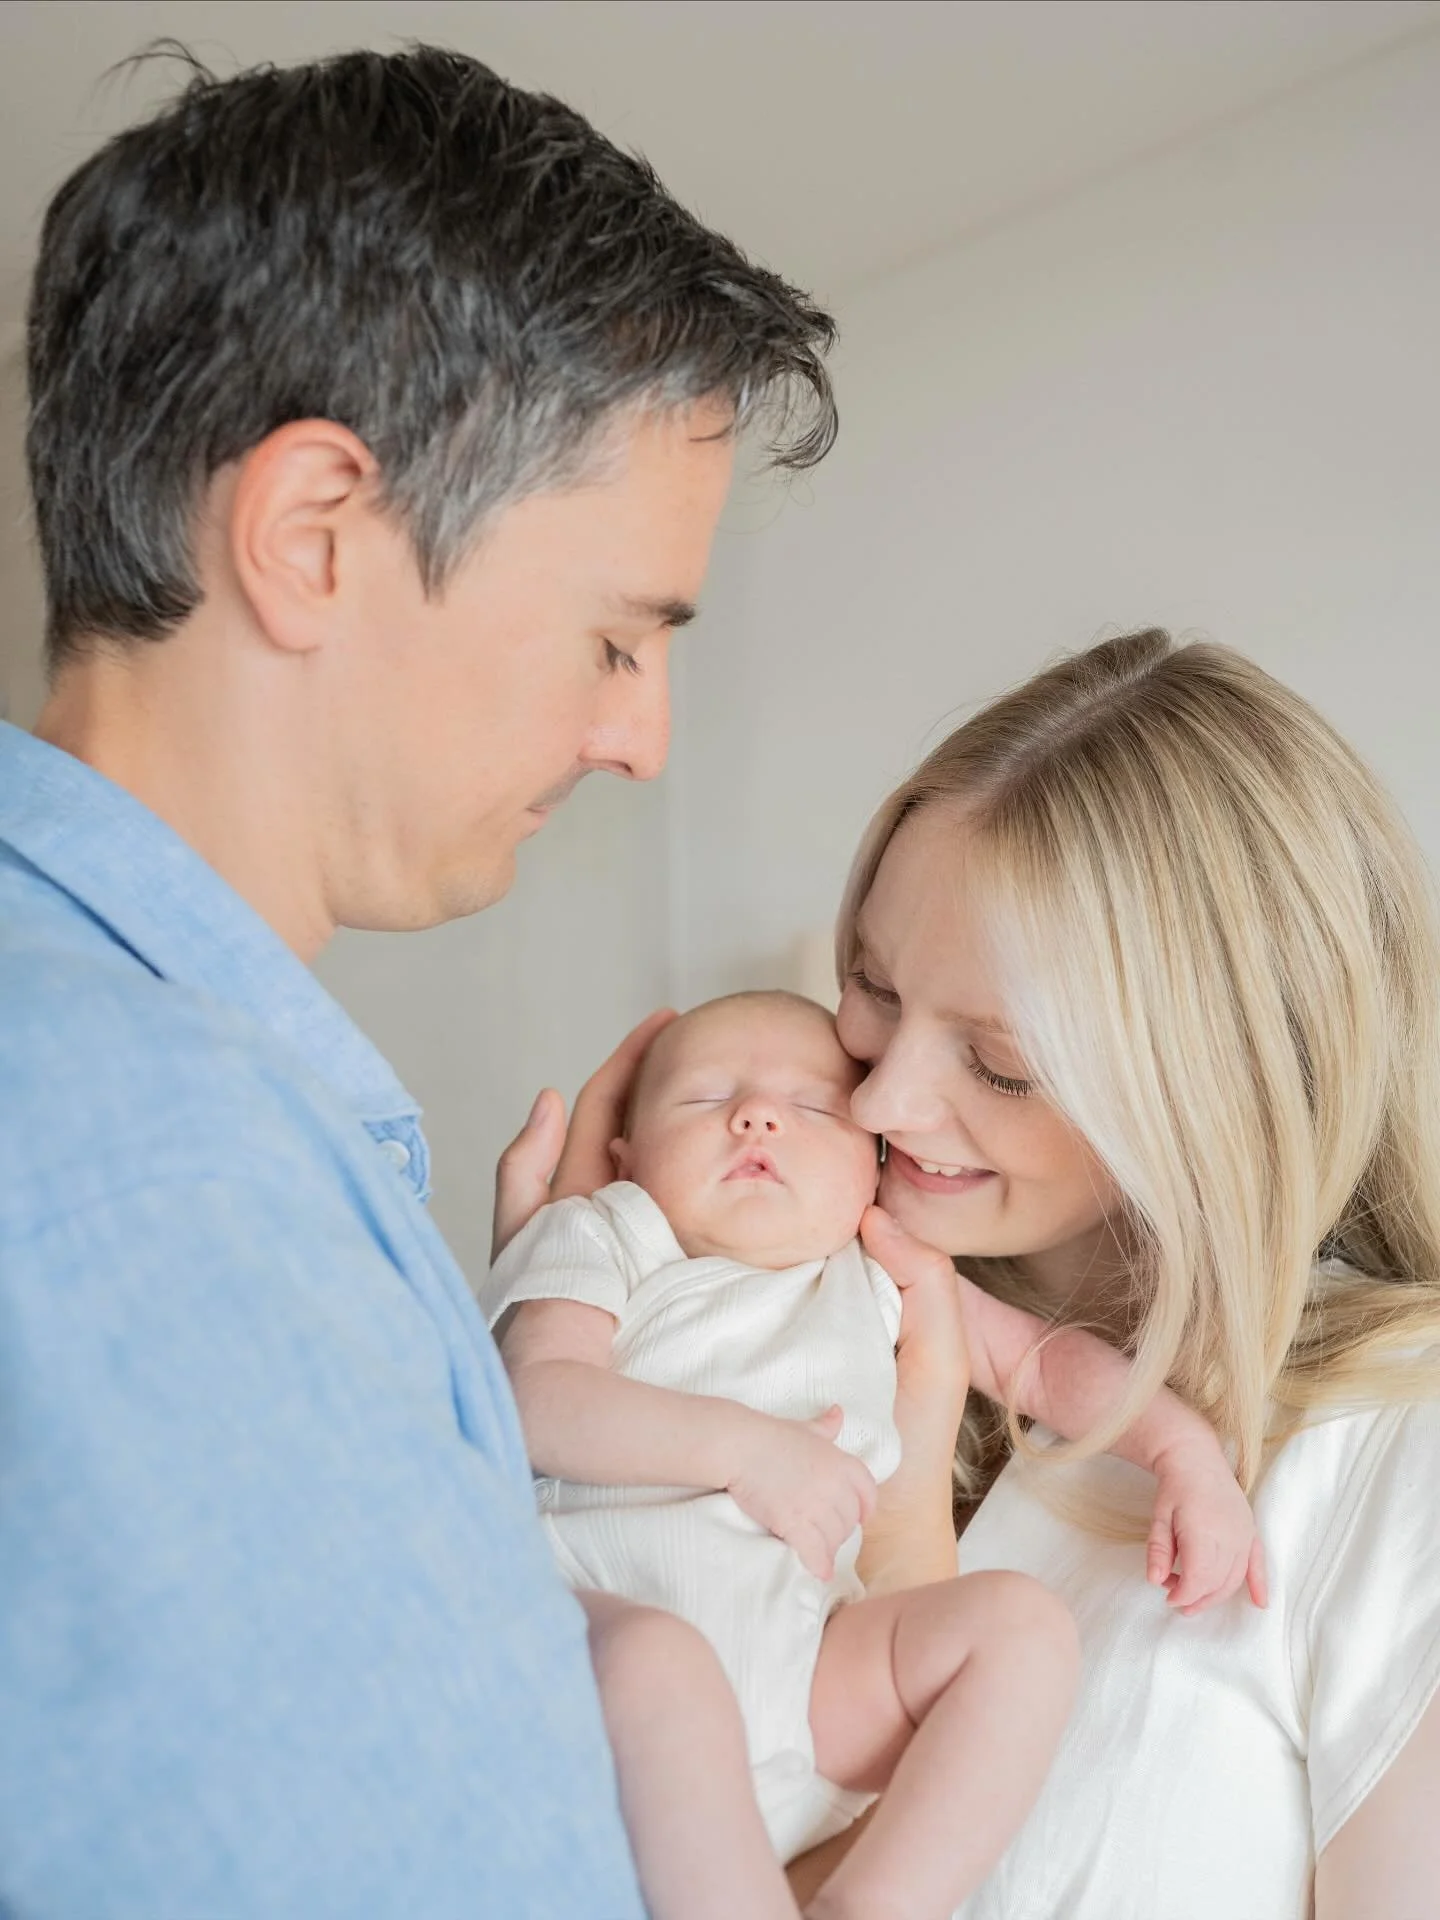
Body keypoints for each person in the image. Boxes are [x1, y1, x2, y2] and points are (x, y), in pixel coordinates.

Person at [0, 43, 838, 1920]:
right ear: (313, 537)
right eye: (618, 635)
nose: (644, 737)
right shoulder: (150, 1168)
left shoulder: (210, 1123)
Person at [495, 630, 1440, 1919]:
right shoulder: (815, 1296)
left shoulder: (1390, 1449)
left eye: (997, 1065)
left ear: (1219, 1087)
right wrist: (544, 1382)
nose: (878, 1096)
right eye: (871, 991)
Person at [486, 987, 1264, 1920]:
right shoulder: (608, 1233)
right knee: (663, 1665)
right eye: (704, 1099)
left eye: (812, 1107)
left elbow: (1047, 1368)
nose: (757, 1115)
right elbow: (536, 1400)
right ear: (625, 1153)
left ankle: (875, 1905)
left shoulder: (878, 1268)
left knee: (1022, 1630)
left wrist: (1182, 1452)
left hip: (806, 1684)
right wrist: (744, 1451)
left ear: (875, 1165)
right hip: (609, 1663)